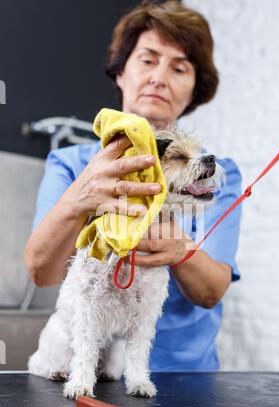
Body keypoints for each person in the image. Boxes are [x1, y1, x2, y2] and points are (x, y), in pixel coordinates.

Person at [24, 0, 242, 371]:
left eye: (179, 67)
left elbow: (211, 292)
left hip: (184, 378)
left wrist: (180, 250)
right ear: (120, 71)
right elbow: (42, 274)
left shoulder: (214, 173)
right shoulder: (72, 165)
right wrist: (82, 195)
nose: (159, 76)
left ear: (194, 90)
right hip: (93, 370)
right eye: (147, 59)